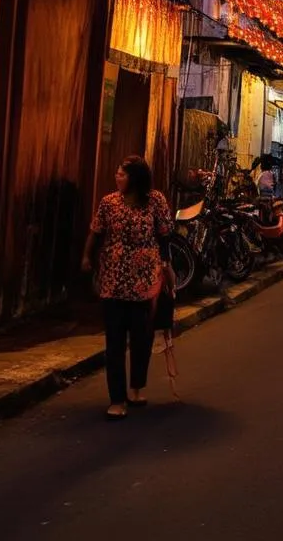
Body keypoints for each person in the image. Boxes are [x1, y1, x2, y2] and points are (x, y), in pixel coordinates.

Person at [82, 155, 174, 419]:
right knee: (114, 341)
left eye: (122, 173)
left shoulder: (155, 201)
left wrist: (166, 268)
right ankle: (117, 399)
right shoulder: (108, 203)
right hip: (113, 280)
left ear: (135, 178)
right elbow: (96, 232)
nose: (117, 177)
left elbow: (164, 235)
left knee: (142, 338)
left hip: (144, 281)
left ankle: (136, 387)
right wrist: (87, 257)